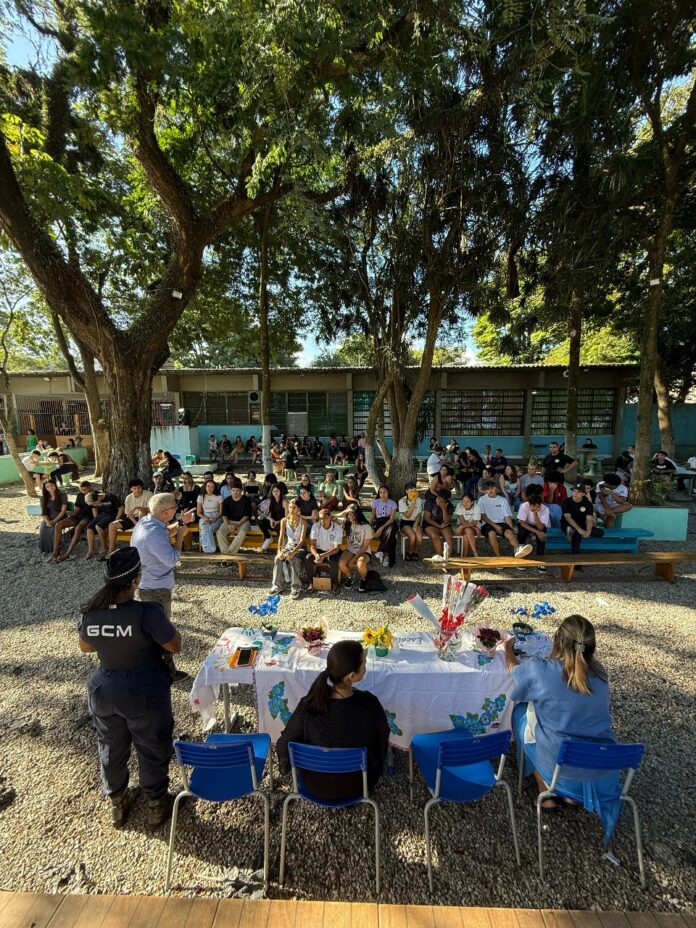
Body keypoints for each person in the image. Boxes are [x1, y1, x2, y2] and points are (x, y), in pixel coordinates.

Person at [78, 546, 181, 829]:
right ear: (136, 579)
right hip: (144, 689)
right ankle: (156, 804)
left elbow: (86, 646)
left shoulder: (90, 611)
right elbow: (175, 645)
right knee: (152, 745)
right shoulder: (147, 613)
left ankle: (117, 802)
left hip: (104, 688)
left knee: (110, 746)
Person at [504, 615, 619, 832]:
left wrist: (507, 648)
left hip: (560, 763)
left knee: (520, 711)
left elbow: (513, 670)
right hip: (602, 768)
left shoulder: (541, 669)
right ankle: (573, 798)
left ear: (556, 639)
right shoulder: (600, 672)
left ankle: (546, 792)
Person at [276, 640, 389, 801]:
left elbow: (284, 743)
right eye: (364, 663)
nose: (366, 666)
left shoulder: (308, 706)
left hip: (314, 784)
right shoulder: (370, 704)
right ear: (351, 676)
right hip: (358, 785)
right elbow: (382, 740)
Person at [131, 493, 189, 688]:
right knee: (161, 632)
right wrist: (180, 537)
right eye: (175, 508)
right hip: (155, 588)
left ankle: (160, 670)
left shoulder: (148, 522)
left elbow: (165, 533)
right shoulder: (153, 534)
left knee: (154, 630)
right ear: (165, 512)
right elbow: (172, 558)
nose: (177, 509)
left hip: (149, 584)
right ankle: (165, 673)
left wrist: (179, 524)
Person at [477, 481, 533, 559]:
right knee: (492, 533)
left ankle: (518, 550)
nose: (490, 490)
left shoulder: (502, 500)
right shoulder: (482, 500)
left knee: (509, 532)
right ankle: (498, 556)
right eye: (488, 489)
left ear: (496, 488)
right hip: (487, 524)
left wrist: (511, 528)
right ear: (485, 491)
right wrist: (495, 525)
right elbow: (483, 516)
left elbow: (507, 516)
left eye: (492, 488)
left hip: (501, 522)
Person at [105, 479, 153, 556]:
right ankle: (111, 549)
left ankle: (142, 547)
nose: (137, 490)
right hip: (133, 518)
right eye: (134, 488)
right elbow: (128, 514)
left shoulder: (148, 494)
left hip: (146, 517)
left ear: (142, 487)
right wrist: (134, 520)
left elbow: (152, 509)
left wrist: (138, 508)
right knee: (112, 525)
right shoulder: (129, 498)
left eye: (139, 487)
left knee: (142, 512)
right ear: (131, 489)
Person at [270, 499, 307, 599]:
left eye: (294, 507)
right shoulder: (284, 521)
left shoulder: (303, 522)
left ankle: (295, 587)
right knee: (278, 558)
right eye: (290, 507)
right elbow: (281, 537)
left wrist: (293, 552)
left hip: (300, 547)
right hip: (288, 546)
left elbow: (302, 541)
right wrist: (279, 550)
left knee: (293, 558)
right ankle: (277, 586)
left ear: (298, 509)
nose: (291, 509)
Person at [303, 507, 343, 592]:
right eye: (320, 518)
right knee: (308, 558)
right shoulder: (315, 526)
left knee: (333, 560)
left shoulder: (337, 528)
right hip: (319, 550)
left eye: (325, 518)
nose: (322, 521)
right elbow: (312, 545)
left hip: (332, 551)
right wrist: (316, 555)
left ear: (330, 517)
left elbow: (336, 549)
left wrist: (323, 556)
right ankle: (311, 582)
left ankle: (334, 583)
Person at [53, 480, 93, 561]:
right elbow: (77, 510)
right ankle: (55, 551)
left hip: (89, 517)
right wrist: (70, 515)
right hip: (79, 515)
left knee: (78, 527)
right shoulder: (80, 495)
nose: (83, 492)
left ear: (90, 488)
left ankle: (67, 553)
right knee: (58, 525)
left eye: (85, 490)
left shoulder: (95, 494)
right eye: (81, 490)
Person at [562, 484, 604, 558]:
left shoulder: (587, 503)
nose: (575, 493)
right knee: (577, 536)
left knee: (600, 532)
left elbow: (589, 519)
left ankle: (571, 532)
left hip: (582, 524)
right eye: (574, 491)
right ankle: (576, 561)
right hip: (568, 523)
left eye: (578, 492)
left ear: (583, 494)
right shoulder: (566, 501)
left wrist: (588, 531)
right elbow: (568, 518)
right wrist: (579, 530)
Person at [339, 504, 373, 591]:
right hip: (350, 549)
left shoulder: (366, 526)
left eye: (351, 513)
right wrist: (344, 512)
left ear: (357, 514)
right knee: (341, 563)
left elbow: (365, 546)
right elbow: (331, 518)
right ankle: (350, 577)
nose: (349, 516)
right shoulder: (346, 523)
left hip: (364, 551)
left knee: (360, 564)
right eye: (348, 514)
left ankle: (363, 579)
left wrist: (354, 559)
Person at [85, 489, 124, 560]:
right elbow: (94, 509)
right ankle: (91, 550)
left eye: (94, 503)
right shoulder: (94, 499)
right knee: (89, 527)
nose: (94, 505)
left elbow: (121, 509)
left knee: (98, 526)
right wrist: (95, 519)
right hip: (102, 515)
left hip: (112, 515)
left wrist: (116, 520)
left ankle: (104, 545)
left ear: (98, 498)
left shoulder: (110, 497)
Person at [216, 479, 252, 554]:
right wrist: (228, 525)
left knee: (242, 533)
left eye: (237, 490)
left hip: (242, 522)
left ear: (241, 491)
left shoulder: (246, 500)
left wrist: (237, 524)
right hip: (229, 521)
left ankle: (229, 555)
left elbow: (246, 516)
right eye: (233, 490)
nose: (235, 492)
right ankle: (227, 554)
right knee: (220, 533)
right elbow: (224, 515)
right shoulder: (227, 500)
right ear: (231, 490)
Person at [517, 493, 551, 569]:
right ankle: (520, 558)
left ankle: (540, 560)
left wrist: (535, 513)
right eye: (530, 505)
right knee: (521, 532)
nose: (531, 507)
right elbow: (522, 523)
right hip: (526, 524)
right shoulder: (524, 505)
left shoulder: (545, 509)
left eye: (534, 505)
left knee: (542, 536)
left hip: (538, 524)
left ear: (539, 505)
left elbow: (541, 527)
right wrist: (537, 532)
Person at [370, 485, 398, 568]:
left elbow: (392, 519)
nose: (382, 494)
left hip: (390, 521)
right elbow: (372, 516)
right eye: (381, 492)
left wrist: (381, 529)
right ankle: (387, 557)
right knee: (391, 536)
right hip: (379, 522)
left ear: (388, 493)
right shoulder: (375, 502)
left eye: (384, 492)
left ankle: (381, 551)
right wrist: (369, 526)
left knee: (391, 529)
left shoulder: (392, 503)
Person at [423, 487, 454, 557]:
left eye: (443, 500)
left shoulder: (449, 505)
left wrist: (444, 509)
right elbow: (427, 518)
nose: (440, 501)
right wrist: (439, 526)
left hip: (444, 523)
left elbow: (446, 521)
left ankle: (446, 559)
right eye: (439, 498)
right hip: (430, 522)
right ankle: (439, 557)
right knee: (435, 536)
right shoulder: (430, 502)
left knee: (448, 536)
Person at [39, 478, 68, 554]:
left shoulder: (62, 495)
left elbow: (63, 511)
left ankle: (55, 547)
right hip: (49, 517)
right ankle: (46, 548)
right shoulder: (43, 498)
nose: (50, 488)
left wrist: (54, 521)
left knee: (53, 528)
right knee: (43, 528)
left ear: (55, 485)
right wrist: (47, 521)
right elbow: (44, 513)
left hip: (60, 517)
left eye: (52, 485)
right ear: (45, 488)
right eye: (47, 486)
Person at [258, 482, 288, 552]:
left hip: (282, 522)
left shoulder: (284, 502)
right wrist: (271, 520)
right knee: (260, 520)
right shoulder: (270, 501)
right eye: (274, 491)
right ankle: (268, 538)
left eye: (277, 491)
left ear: (280, 491)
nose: (276, 493)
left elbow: (287, 517)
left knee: (279, 527)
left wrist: (278, 522)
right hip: (273, 521)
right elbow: (267, 514)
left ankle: (282, 547)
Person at [399, 482, 424, 561]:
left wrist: (416, 525)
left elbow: (419, 514)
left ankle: (416, 552)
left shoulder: (419, 500)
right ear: (406, 491)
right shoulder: (402, 501)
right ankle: (410, 552)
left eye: (414, 492)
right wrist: (413, 505)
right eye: (411, 492)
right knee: (412, 536)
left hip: (415, 521)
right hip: (405, 522)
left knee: (419, 537)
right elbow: (407, 516)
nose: (413, 494)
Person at [197, 478, 223, 553]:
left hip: (216, 517)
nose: (210, 488)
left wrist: (215, 518)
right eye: (208, 486)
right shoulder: (201, 497)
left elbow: (221, 512)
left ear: (214, 488)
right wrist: (206, 518)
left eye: (212, 487)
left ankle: (206, 549)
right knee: (205, 527)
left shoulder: (219, 496)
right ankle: (211, 550)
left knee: (206, 528)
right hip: (204, 516)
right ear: (205, 487)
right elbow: (198, 512)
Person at [453, 492, 482, 557]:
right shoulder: (459, 505)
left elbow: (474, 522)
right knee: (468, 530)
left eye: (467, 501)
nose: (465, 503)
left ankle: (464, 556)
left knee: (466, 535)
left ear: (472, 502)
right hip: (464, 526)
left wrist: (463, 526)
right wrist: (474, 528)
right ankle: (475, 553)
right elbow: (462, 521)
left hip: (465, 527)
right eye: (463, 501)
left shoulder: (477, 507)